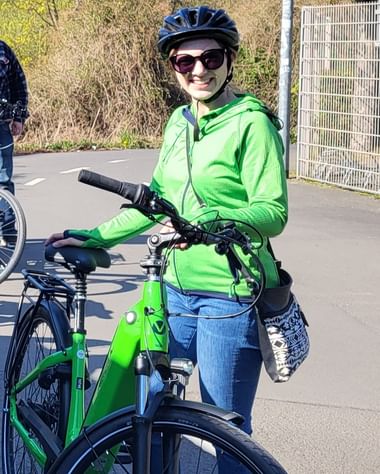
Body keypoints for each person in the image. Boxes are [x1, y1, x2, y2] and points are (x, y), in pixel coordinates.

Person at [46, 5, 288, 471]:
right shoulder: (179, 121)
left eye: (211, 58)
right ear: (174, 67)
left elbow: (272, 211)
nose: (199, 70)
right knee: (150, 416)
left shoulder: (252, 123)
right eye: (186, 62)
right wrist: (96, 235)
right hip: (172, 291)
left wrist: (209, 218)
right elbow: (157, 199)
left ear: (229, 60)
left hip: (229, 293)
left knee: (227, 430)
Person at [0, 40, 28, 195]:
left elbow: (19, 84)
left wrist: (19, 118)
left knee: (3, 180)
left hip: (1, 125)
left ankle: (8, 219)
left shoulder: (3, 50)